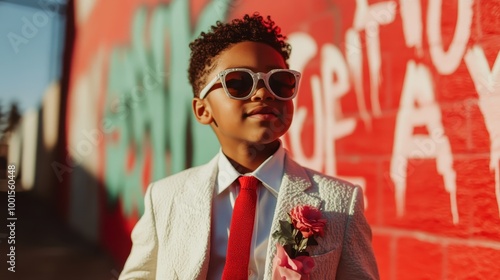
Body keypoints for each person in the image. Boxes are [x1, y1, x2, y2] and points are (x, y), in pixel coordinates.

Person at [119, 13, 379, 280]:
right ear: (202, 110)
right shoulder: (165, 197)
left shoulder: (342, 203)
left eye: (279, 82)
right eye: (239, 82)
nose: (264, 93)